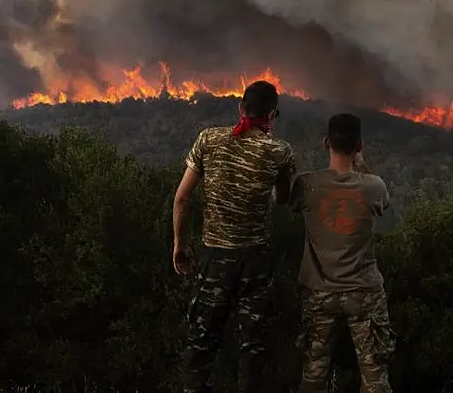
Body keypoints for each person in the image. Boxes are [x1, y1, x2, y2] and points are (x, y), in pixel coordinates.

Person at [172, 80, 296, 393]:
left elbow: (182, 199)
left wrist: (180, 243)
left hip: (215, 258)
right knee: (252, 346)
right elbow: (282, 199)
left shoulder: (208, 140)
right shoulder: (279, 151)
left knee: (201, 341)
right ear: (272, 114)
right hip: (255, 261)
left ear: (241, 107)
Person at [290, 113, 404, 393]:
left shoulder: (307, 185)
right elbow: (383, 204)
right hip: (363, 293)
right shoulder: (373, 186)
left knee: (313, 376)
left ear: (326, 142)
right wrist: (361, 165)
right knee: (375, 378)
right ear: (360, 145)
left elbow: (286, 201)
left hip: (319, 294)